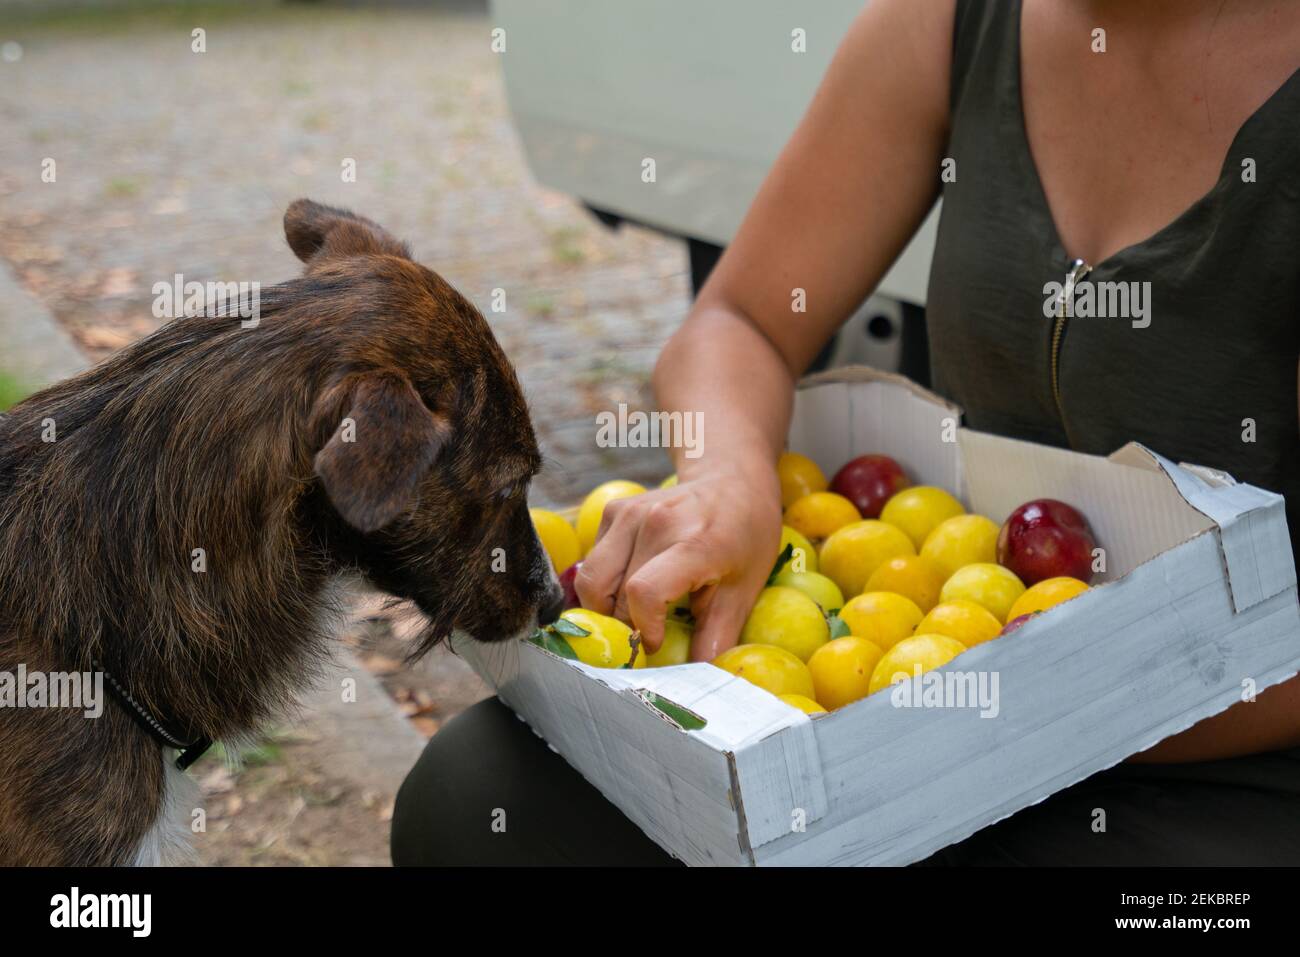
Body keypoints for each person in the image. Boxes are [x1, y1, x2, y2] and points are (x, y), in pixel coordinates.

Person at [391, 0, 1300, 866]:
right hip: (920, 714)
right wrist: (729, 480)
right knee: (478, 798)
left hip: (1228, 764)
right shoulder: (955, 23)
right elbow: (740, 320)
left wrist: (1032, 711)